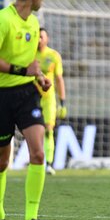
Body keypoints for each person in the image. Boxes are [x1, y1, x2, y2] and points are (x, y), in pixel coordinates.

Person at [0, 0, 51, 220]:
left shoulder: (33, 21)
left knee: (38, 153)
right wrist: (22, 71)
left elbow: (31, 61)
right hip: (2, 95)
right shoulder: (3, 19)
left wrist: (40, 77)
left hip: (27, 94)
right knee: (1, 161)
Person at [36, 27, 67, 175]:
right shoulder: (28, 54)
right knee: (34, 132)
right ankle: (35, 160)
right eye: (37, 36)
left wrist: (63, 102)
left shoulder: (54, 56)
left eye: (42, 37)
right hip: (31, 99)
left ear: (47, 38)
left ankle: (48, 163)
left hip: (48, 100)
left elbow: (59, 79)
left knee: (48, 130)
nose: (39, 39)